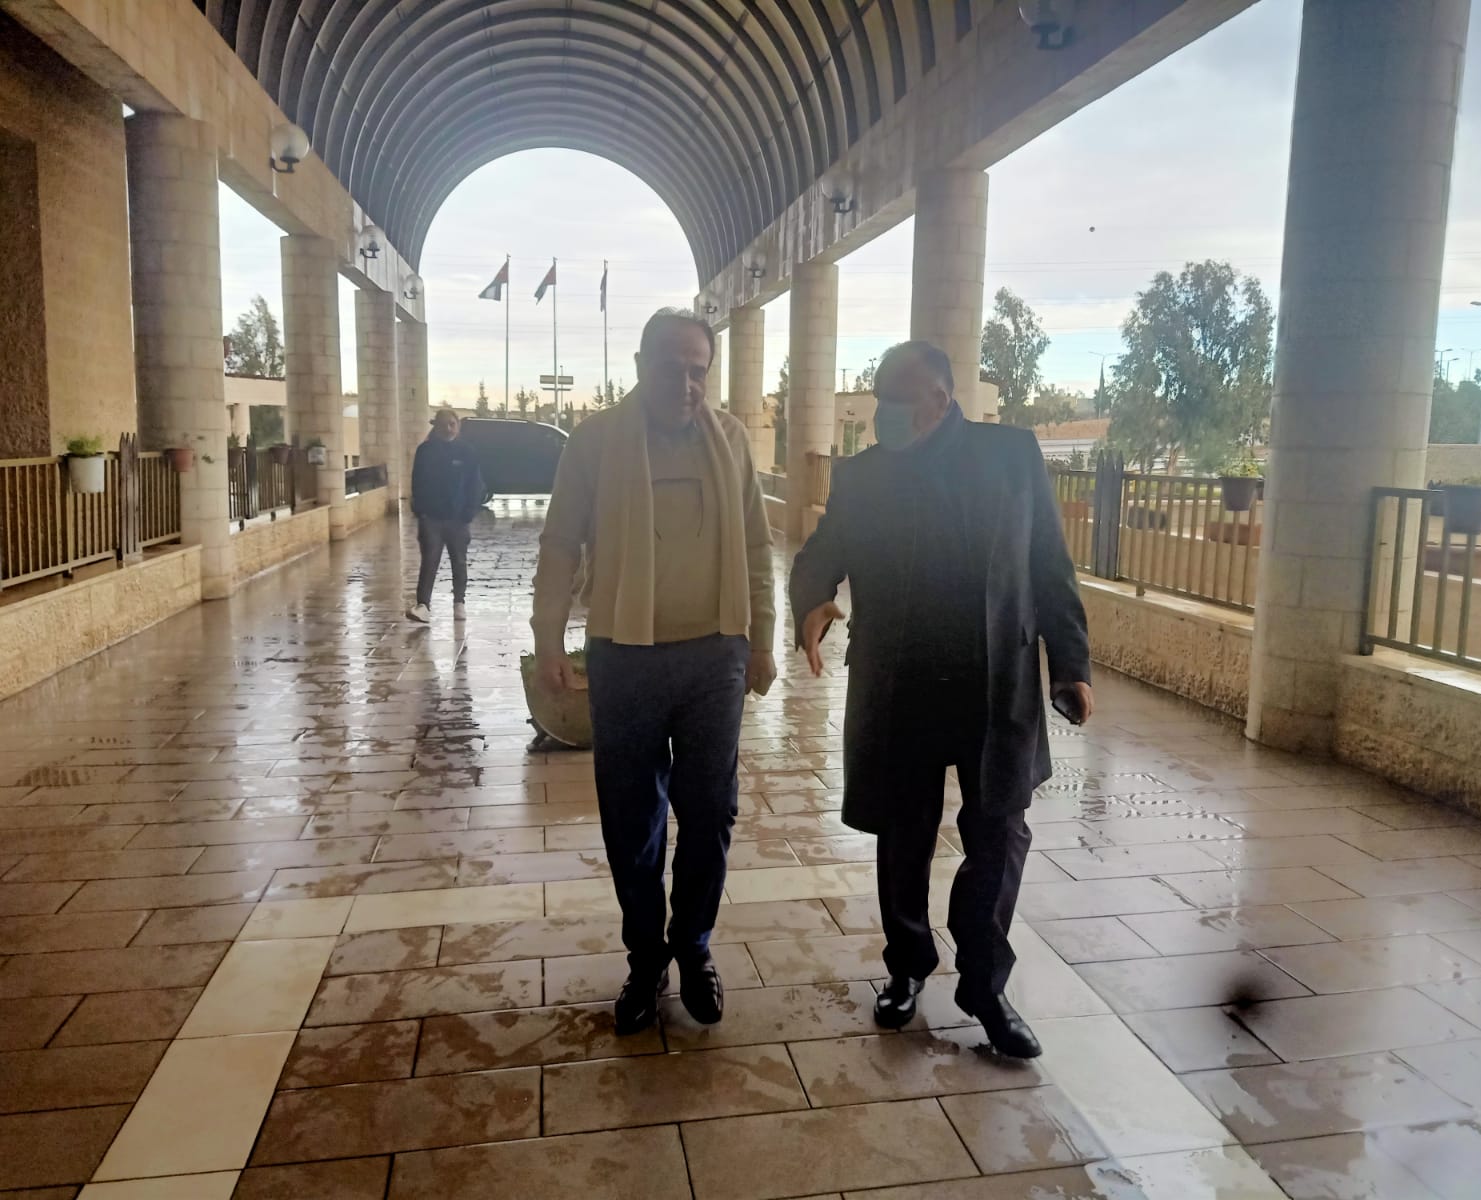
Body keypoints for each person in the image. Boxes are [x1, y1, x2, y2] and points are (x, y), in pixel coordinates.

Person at [789, 340, 1093, 1059]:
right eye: (879, 398)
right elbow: (821, 552)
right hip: (902, 685)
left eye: (898, 398)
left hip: (995, 682)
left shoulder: (1010, 456)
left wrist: (1071, 664)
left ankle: (984, 984)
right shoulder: (863, 475)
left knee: (1001, 833)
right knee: (903, 835)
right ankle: (906, 965)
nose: (884, 413)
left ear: (940, 398)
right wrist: (812, 601)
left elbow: (1049, 563)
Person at [532, 309, 776, 1035]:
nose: (687, 383)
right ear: (641, 366)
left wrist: (762, 640)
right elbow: (559, 542)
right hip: (625, 657)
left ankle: (693, 946)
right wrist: (549, 637)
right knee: (631, 816)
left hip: (714, 656)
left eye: (699, 370)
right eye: (673, 367)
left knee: (711, 811)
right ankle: (646, 959)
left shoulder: (731, 439)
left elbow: (757, 546)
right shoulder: (595, 441)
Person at [408, 407, 488, 624]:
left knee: (459, 561)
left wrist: (469, 512)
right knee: (429, 561)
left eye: (452, 424)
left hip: (458, 518)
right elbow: (417, 482)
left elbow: (475, 483)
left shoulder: (467, 452)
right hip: (431, 518)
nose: (448, 428)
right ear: (436, 426)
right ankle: (423, 605)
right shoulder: (425, 451)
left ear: (458, 426)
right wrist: (421, 510)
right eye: (444, 424)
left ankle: (459, 602)